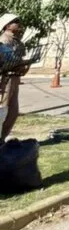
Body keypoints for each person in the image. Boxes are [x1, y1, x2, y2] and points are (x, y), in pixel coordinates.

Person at [0, 13, 27, 142]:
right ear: (7, 25)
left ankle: (3, 137)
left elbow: (20, 59)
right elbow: (5, 61)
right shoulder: (4, 40)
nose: (18, 23)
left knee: (13, 111)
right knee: (3, 110)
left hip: (16, 78)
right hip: (6, 79)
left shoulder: (17, 41)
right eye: (15, 21)